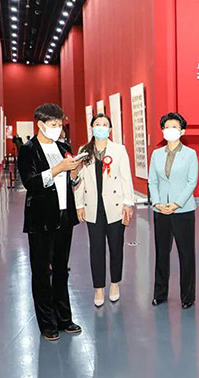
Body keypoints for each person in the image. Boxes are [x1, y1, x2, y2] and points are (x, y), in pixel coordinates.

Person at [18, 103, 83, 341]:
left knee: (61, 269)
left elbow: (70, 183)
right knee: (41, 271)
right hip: (41, 219)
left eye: (60, 124)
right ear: (41, 124)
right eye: (53, 124)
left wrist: (73, 174)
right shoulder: (28, 150)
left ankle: (64, 318)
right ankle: (47, 323)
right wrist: (58, 169)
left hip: (64, 216)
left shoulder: (64, 147)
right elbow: (31, 183)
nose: (58, 128)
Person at [74, 113, 135, 307]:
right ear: (92, 128)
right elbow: (80, 179)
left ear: (110, 129)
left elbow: (126, 178)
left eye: (104, 124)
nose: (101, 127)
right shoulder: (84, 150)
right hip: (93, 207)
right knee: (96, 249)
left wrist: (128, 203)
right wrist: (79, 204)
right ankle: (99, 288)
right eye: (97, 124)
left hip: (115, 206)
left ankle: (115, 284)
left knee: (116, 247)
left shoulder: (119, 150)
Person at [148, 113, 198, 309]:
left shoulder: (190, 154)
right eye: (167, 127)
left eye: (174, 127)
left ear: (182, 131)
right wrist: (157, 203)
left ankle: (188, 296)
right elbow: (152, 181)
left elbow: (191, 182)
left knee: (186, 254)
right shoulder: (156, 154)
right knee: (161, 253)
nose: (170, 130)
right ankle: (160, 294)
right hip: (161, 210)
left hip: (183, 210)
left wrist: (176, 204)